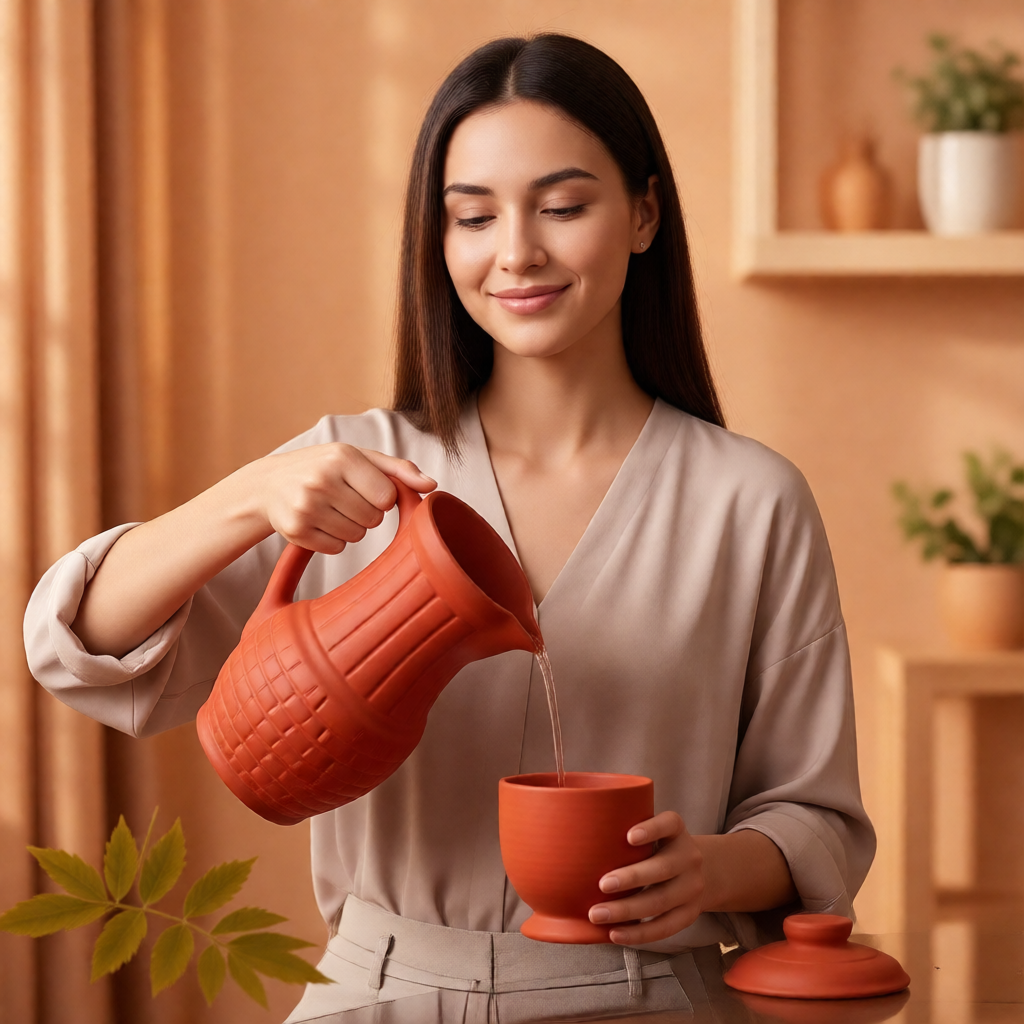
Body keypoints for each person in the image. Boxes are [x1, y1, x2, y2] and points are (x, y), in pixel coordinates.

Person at [25, 34, 874, 1022]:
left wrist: (713, 871)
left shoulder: (750, 500)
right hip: (375, 992)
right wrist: (250, 494)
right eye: (472, 216)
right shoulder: (356, 473)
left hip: (650, 995)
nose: (515, 250)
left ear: (643, 213)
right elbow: (80, 641)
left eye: (562, 207)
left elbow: (815, 815)